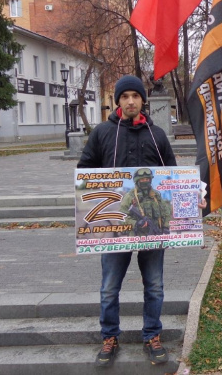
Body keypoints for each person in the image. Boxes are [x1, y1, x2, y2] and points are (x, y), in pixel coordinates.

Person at [77, 75, 177, 366]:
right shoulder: (102, 133)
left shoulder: (157, 134)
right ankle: (109, 336)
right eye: (125, 96)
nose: (131, 101)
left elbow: (172, 175)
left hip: (153, 228)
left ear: (143, 100)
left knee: (154, 285)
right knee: (110, 286)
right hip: (115, 228)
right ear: (117, 101)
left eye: (135, 95)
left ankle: (151, 335)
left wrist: (194, 197)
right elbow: (85, 171)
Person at [120, 168, 173, 236]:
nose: (145, 181)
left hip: (156, 236)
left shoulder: (155, 195)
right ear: (137, 181)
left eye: (147, 179)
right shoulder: (130, 196)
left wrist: (165, 226)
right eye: (142, 179)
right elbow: (121, 218)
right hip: (137, 238)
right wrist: (136, 223)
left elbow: (166, 213)